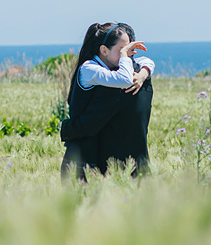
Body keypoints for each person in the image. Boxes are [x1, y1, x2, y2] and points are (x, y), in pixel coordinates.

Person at [60, 22, 154, 180]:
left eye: (129, 48)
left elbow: (147, 61)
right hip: (81, 156)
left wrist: (143, 73)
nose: (128, 54)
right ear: (104, 50)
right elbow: (124, 79)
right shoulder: (89, 68)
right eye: (123, 49)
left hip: (95, 154)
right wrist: (128, 60)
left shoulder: (111, 65)